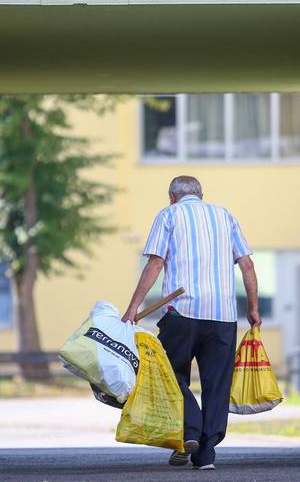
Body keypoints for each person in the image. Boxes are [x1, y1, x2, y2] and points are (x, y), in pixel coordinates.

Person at [122, 175, 261, 470]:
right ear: (201, 194)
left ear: (172, 197)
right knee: (217, 384)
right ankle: (205, 455)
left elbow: (156, 263)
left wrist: (133, 307)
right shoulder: (225, 215)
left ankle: (191, 430)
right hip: (223, 315)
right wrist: (253, 308)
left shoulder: (169, 215)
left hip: (181, 313)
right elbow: (247, 264)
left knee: (170, 375)